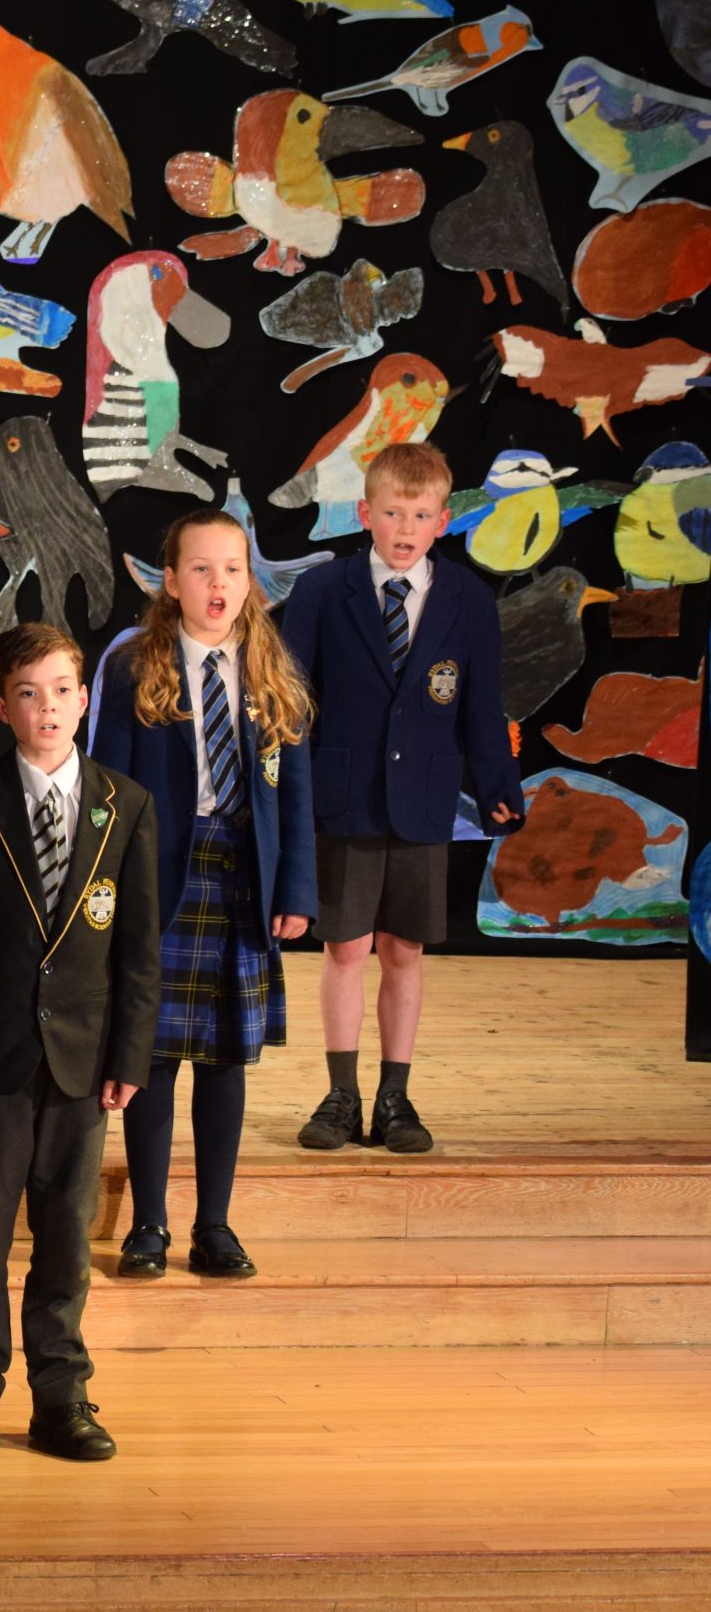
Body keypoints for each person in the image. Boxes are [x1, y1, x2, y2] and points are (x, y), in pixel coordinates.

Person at [0, 623, 158, 1462]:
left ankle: (61, 1393)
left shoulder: (125, 805)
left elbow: (138, 948)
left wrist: (130, 1054)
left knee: (66, 1235)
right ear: (0, 707)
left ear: (84, 698)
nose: (46, 707)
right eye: (27, 693)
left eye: (60, 690)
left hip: (84, 1062)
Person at [280, 443, 523, 1155]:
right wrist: (286, 791)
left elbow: (481, 707)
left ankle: (394, 1096)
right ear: (365, 513)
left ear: (443, 521)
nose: (404, 527)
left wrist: (499, 785)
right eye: (392, 513)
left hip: (423, 798)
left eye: (420, 515)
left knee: (404, 949)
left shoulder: (468, 601)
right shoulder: (323, 592)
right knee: (347, 946)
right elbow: (290, 702)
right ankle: (340, 1095)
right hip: (343, 798)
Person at [92, 509, 316, 1281]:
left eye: (232, 568)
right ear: (170, 580)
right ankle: (148, 1222)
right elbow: (107, 787)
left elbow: (295, 793)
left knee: (225, 1058)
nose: (218, 583)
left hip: (242, 879)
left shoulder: (272, 667)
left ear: (249, 580)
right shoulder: (134, 666)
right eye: (201, 568)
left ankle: (213, 1223)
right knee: (151, 1053)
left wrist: (296, 886)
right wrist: (109, 890)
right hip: (160, 877)